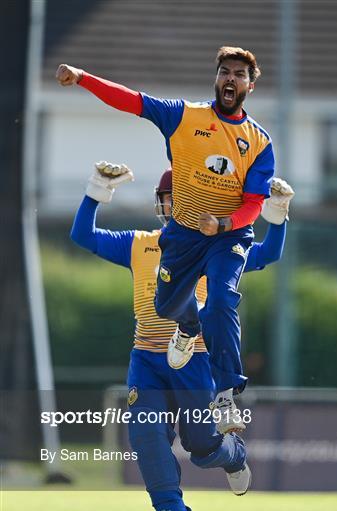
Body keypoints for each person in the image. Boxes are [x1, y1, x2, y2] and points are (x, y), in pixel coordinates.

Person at [70, 161, 292, 511]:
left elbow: (268, 253)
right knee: (145, 432)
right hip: (147, 358)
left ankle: (233, 454)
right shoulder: (140, 244)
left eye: (182, 199)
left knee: (203, 448)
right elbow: (84, 236)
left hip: (197, 362)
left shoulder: (219, 250)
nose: (175, 207)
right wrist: (96, 190)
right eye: (171, 200)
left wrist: (277, 211)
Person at [56, 46, 276, 419]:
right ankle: (187, 327)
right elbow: (132, 101)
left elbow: (254, 204)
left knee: (221, 300)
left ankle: (225, 395)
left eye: (239, 74)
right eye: (225, 71)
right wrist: (82, 77)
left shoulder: (259, 142)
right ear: (216, 77)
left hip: (227, 237)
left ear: (250, 86)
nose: (230, 79)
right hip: (185, 234)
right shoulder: (184, 116)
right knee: (166, 305)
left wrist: (223, 224)